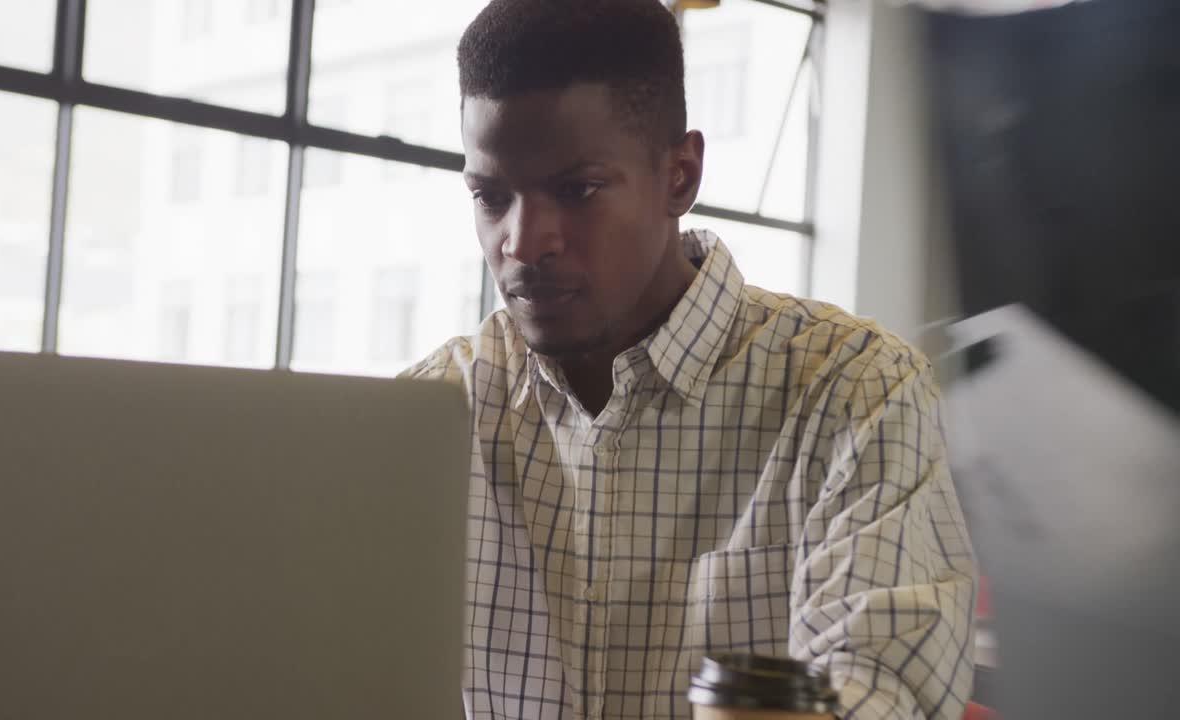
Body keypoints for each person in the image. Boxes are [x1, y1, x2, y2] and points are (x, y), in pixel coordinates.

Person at [403, 1, 977, 718]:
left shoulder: (854, 392)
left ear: (680, 175)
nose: (523, 242)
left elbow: (881, 690)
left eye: (576, 190)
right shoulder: (429, 416)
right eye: (491, 196)